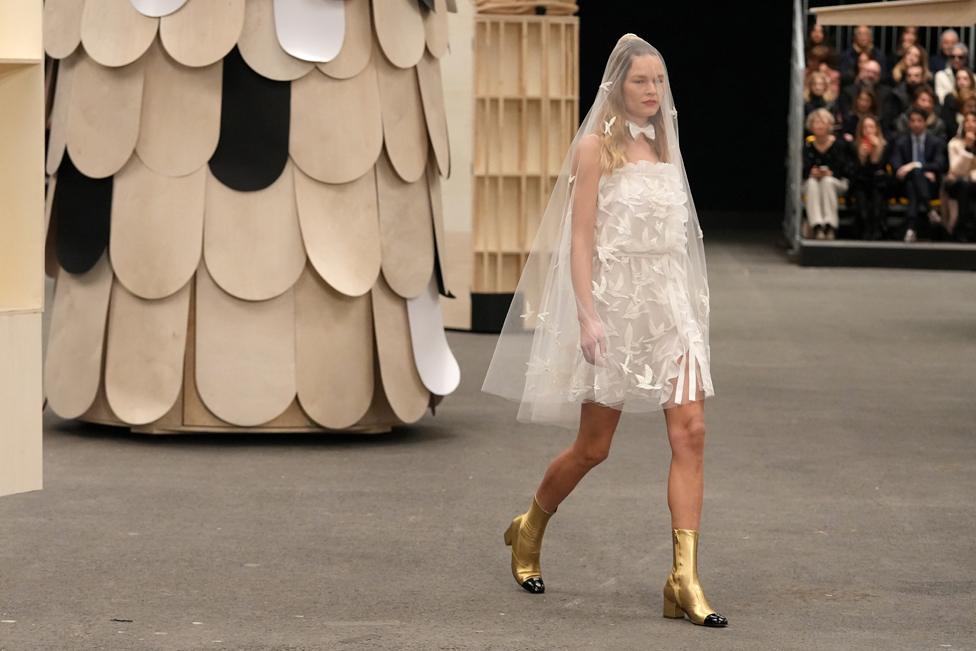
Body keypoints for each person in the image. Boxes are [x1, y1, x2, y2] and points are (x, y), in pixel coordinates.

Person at [482, 34, 728, 628]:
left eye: (659, 81)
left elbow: (681, 235)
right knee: (595, 447)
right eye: (641, 81)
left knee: (690, 431)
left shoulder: (666, 141)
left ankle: (684, 578)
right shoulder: (595, 148)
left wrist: (692, 311)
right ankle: (530, 526)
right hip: (617, 308)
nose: (652, 91)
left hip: (669, 308)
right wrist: (588, 316)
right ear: (616, 86)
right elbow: (580, 238)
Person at [890, 108, 949, 242]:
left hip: (930, 185)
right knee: (913, 181)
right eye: (913, 121)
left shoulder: (936, 142)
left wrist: (915, 166)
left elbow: (940, 164)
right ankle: (930, 210)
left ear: (925, 122)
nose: (916, 124)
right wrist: (920, 170)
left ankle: (911, 229)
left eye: (919, 121)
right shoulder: (901, 142)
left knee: (914, 180)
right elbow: (896, 165)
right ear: (909, 123)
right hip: (903, 185)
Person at [803, 108, 851, 240]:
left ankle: (829, 225)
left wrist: (831, 173)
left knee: (827, 182)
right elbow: (802, 169)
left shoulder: (840, 144)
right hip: (813, 181)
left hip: (836, 182)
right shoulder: (807, 145)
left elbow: (847, 168)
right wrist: (811, 172)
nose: (818, 126)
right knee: (812, 183)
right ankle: (817, 225)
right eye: (816, 122)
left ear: (829, 125)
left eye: (822, 122)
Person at [848, 115, 890, 239]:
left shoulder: (885, 145)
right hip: (860, 181)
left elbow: (882, 168)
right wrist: (862, 157)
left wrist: (875, 153)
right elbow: (853, 170)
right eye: (865, 127)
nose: (868, 130)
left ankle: (877, 230)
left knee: (877, 201)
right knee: (863, 209)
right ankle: (864, 229)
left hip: (878, 182)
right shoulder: (854, 146)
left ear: (876, 129)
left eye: (871, 126)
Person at [945, 111, 976, 242]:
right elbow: (955, 170)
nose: (970, 124)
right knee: (964, 185)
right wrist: (967, 148)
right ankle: (961, 229)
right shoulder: (954, 143)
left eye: (974, 121)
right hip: (956, 184)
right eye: (967, 121)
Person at [884, 64, 926, 136]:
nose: (912, 79)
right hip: (902, 133)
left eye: (916, 76)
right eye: (909, 76)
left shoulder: (928, 94)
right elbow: (892, 121)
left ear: (922, 78)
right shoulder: (896, 95)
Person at [941, 69, 975, 140]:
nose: (961, 82)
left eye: (965, 79)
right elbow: (949, 126)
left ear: (971, 81)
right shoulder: (950, 99)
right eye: (958, 79)